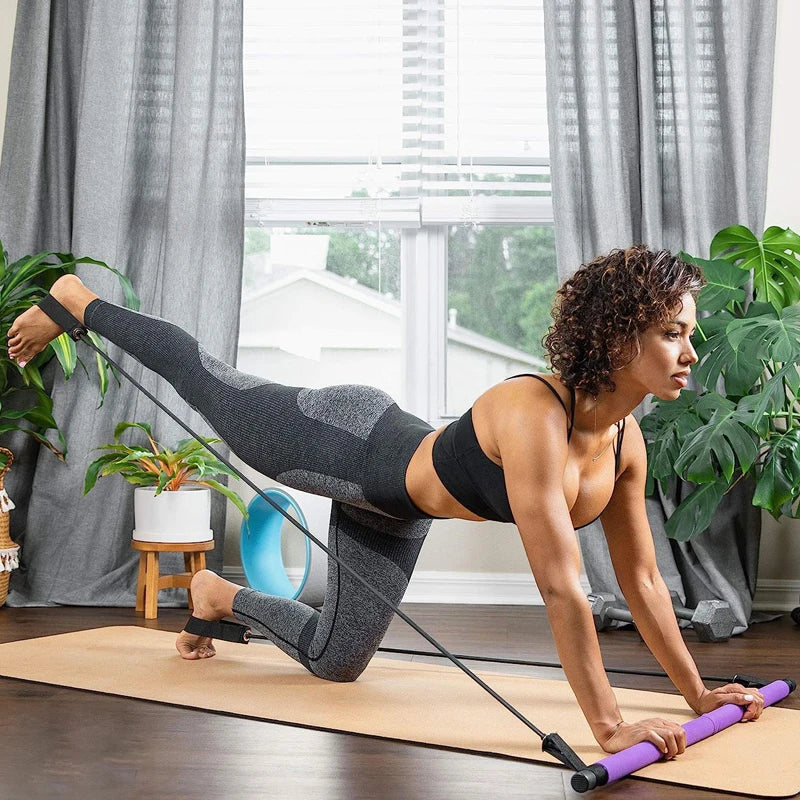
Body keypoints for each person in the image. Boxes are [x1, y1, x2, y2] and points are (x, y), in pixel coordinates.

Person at [7, 245, 764, 758]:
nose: (691, 354)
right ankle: (79, 300)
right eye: (673, 334)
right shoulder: (534, 412)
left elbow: (641, 582)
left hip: (397, 507)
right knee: (206, 378)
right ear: (617, 334)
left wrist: (697, 694)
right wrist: (610, 724)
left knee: (338, 664)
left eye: (688, 334)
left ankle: (216, 593)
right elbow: (562, 585)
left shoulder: (624, 442)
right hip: (340, 440)